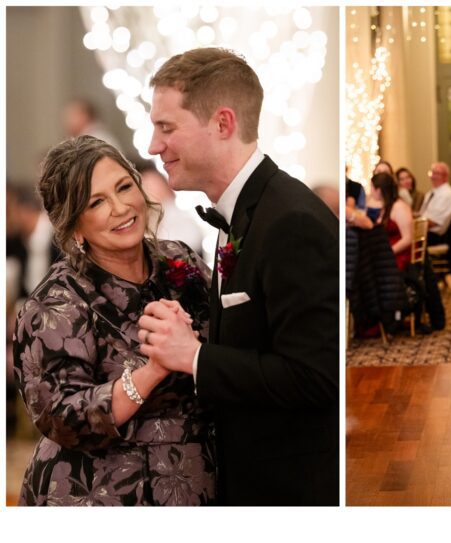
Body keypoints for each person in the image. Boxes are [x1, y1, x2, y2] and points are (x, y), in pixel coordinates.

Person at [137, 47, 339, 505]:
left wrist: (194, 357)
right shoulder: (246, 213)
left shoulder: (291, 222)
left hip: (291, 490)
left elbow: (317, 377)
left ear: (222, 123)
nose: (153, 146)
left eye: (166, 127)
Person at [13, 136, 214, 505]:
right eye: (97, 202)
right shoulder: (54, 303)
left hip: (198, 478)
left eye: (124, 187)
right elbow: (61, 419)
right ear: (74, 226)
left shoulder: (178, 263)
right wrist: (153, 369)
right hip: (99, 494)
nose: (121, 207)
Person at [138, 161, 206, 259]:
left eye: (152, 186)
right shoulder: (147, 222)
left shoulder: (179, 217)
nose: (149, 193)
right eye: (146, 188)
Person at [367, 172, 414, 273]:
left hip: (399, 256)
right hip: (387, 254)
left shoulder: (399, 207)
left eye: (371, 187)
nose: (370, 192)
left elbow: (408, 239)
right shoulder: (386, 206)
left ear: (378, 190)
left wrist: (387, 253)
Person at [420, 161, 451, 245]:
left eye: (437, 173)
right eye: (432, 173)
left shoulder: (447, 194)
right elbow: (423, 215)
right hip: (425, 233)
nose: (433, 176)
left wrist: (413, 224)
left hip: (435, 237)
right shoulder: (431, 193)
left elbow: (434, 222)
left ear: (445, 177)